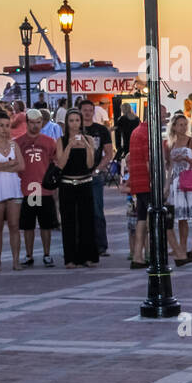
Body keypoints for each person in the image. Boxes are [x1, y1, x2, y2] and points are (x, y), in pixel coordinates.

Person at [53, 110, 99, 268]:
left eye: (77, 120)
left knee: (87, 221)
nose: (74, 124)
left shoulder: (89, 139)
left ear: (81, 122)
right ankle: (70, 258)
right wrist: (69, 146)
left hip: (85, 183)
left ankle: (88, 256)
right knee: (68, 221)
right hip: (67, 184)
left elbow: (90, 164)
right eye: (71, 120)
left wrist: (87, 146)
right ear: (67, 122)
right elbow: (60, 164)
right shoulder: (61, 140)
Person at [16, 110, 57, 267]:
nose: (35, 125)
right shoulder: (19, 142)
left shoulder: (49, 141)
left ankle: (47, 255)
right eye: (32, 122)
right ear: (27, 123)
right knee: (28, 226)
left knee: (46, 225)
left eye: (38, 122)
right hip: (29, 188)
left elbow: (56, 162)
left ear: (42, 122)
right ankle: (29, 255)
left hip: (44, 189)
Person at [0, 108, 24, 271]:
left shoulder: (14, 144)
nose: (5, 129)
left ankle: (16, 261)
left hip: (13, 188)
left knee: (14, 226)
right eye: (1, 125)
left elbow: (21, 165)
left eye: (8, 125)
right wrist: (10, 164)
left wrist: (6, 167)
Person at [165, 113, 192, 260]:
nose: (183, 127)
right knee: (181, 217)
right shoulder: (172, 143)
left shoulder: (191, 141)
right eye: (180, 125)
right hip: (177, 181)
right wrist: (167, 185)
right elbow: (169, 167)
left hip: (191, 179)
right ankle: (182, 247)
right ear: (174, 127)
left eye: (184, 124)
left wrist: (186, 158)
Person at [79, 99, 114, 256]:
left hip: (94, 176)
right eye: (84, 110)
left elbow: (108, 153)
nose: (87, 112)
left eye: (89, 110)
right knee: (79, 212)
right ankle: (83, 245)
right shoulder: (75, 129)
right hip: (77, 176)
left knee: (97, 211)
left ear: (93, 111)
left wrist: (98, 170)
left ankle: (101, 245)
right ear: (79, 111)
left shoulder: (101, 130)